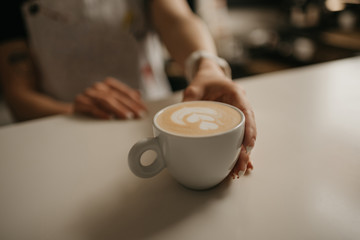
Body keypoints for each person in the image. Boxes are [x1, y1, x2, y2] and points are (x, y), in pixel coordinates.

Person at [0, 0, 256, 178]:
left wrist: (207, 64)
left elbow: (177, 17)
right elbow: (18, 96)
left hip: (153, 122)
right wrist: (72, 110)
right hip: (62, 136)